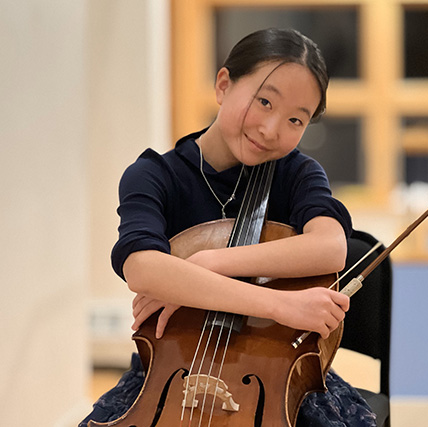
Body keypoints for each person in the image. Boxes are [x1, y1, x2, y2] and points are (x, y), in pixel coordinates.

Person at [80, 28, 377, 427]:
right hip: (172, 371)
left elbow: (330, 248)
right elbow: (142, 268)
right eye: (264, 101)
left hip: (277, 373)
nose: (271, 129)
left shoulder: (298, 174)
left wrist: (208, 263)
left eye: (295, 119)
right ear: (223, 85)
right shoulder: (154, 175)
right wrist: (280, 305)